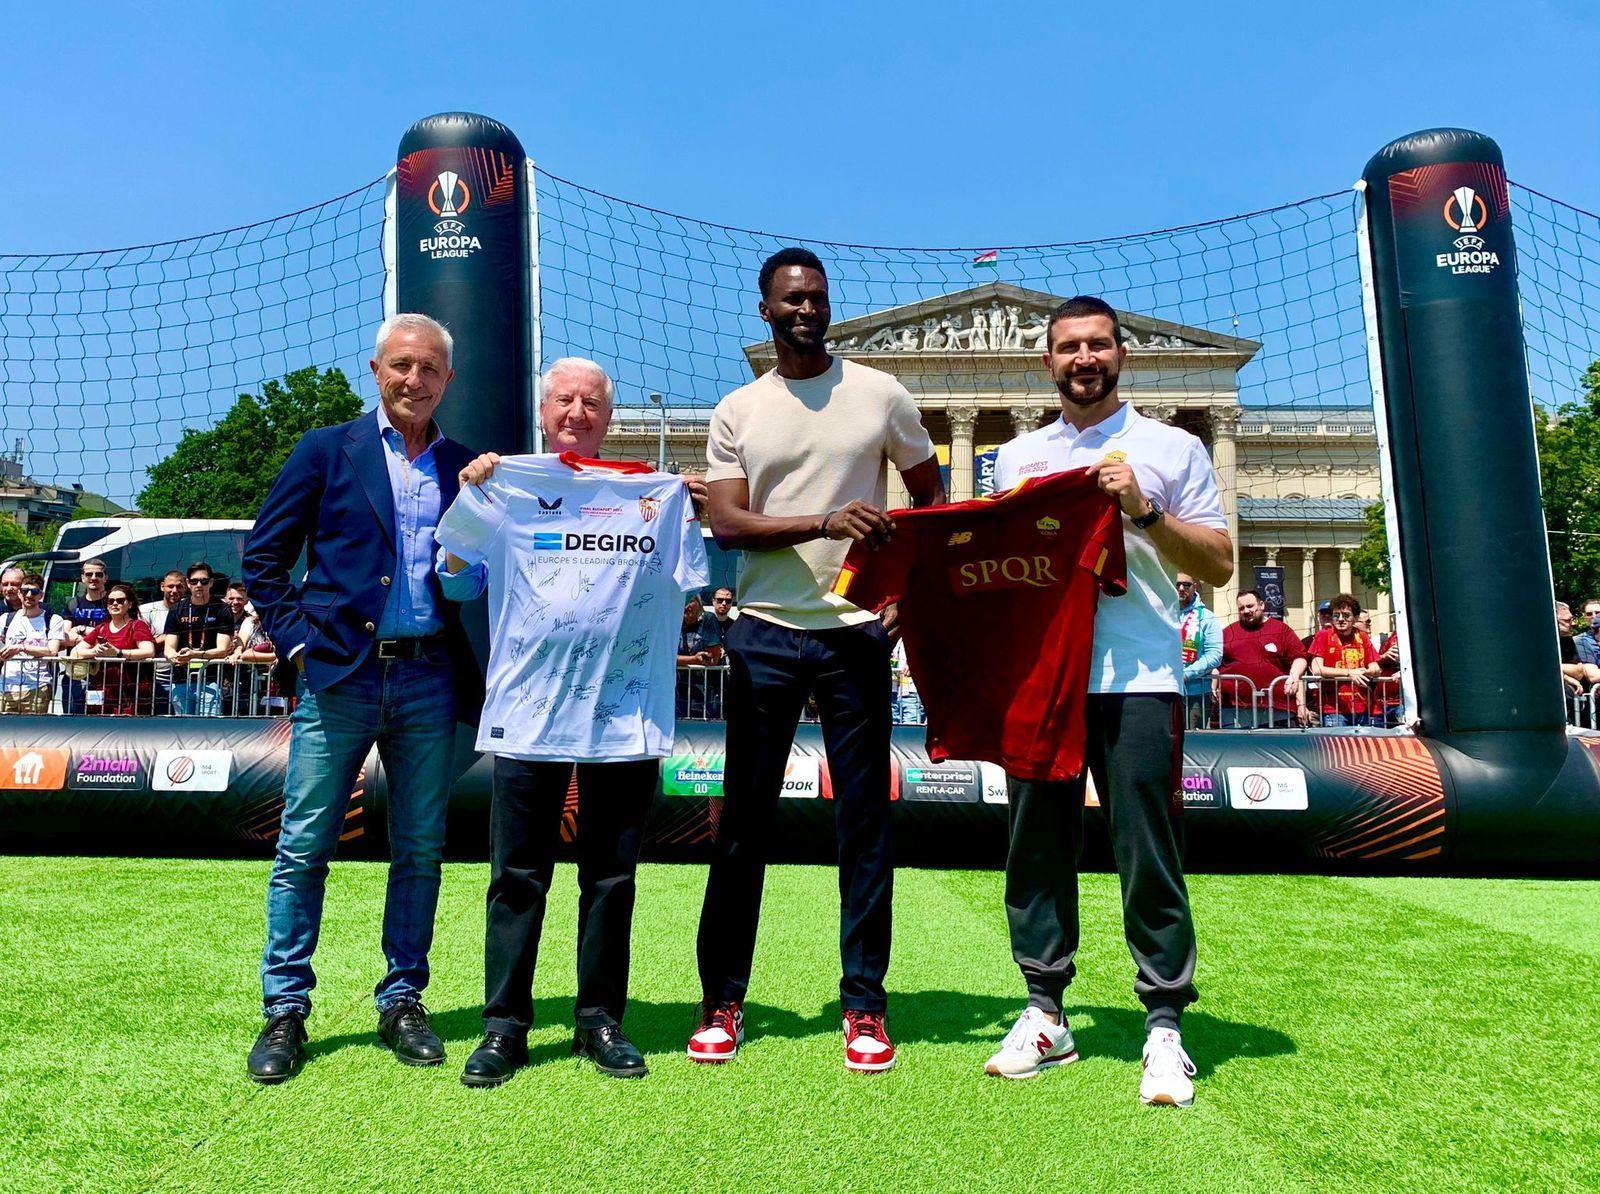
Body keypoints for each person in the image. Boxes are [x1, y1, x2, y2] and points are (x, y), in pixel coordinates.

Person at [690, 247, 944, 1073]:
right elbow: (728, 524)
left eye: (817, 298)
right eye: (792, 299)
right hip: (763, 632)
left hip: (854, 637)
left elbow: (930, 491)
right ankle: (722, 1001)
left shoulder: (880, 394)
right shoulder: (739, 410)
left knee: (864, 825)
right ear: (765, 310)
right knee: (743, 825)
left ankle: (865, 1005)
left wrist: (906, 587)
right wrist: (825, 521)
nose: (806, 309)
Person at [981, 296, 1231, 1108]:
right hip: (1043, 680)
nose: (1083, 358)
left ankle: (1164, 1022)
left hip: (1139, 675)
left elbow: (1220, 565)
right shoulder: (1015, 458)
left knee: (1147, 849)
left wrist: (1143, 510)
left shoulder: (1172, 447)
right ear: (1047, 362)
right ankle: (1045, 1011)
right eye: (1068, 347)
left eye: (1097, 345)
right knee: (1035, 848)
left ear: (1121, 354)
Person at [438, 356, 708, 1087]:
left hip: (623, 718)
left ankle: (599, 1020)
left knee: (612, 878)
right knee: (516, 877)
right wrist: (474, 497)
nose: (577, 412)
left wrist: (690, 503)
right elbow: (453, 578)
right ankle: (504, 1027)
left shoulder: (656, 494)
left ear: (608, 417)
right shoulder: (507, 484)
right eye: (564, 399)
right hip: (529, 715)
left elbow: (692, 586)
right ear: (543, 411)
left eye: (591, 402)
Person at [239, 312, 480, 1084]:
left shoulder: (465, 467)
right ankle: (285, 1008)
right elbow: (263, 556)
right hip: (338, 677)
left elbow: (477, 573)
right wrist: (298, 645)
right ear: (376, 370)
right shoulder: (325, 449)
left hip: (429, 676)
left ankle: (402, 998)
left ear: (448, 379)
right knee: (304, 846)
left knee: (420, 849)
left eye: (431, 368)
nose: (415, 379)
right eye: (402, 365)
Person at [1214, 588, 1310, 727]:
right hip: (1235, 710)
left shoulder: (1281, 630)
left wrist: (1294, 676)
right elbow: (1216, 662)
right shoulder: (1229, 633)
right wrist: (1214, 682)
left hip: (1278, 709)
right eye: (1241, 608)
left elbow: (1300, 657)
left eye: (1250, 606)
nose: (1246, 611)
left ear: (1262, 605)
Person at [70, 582, 156, 715]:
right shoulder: (101, 628)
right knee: (96, 724)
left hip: (131, 693)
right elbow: (75, 652)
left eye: (120, 601)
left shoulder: (137, 625)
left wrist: (118, 653)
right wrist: (94, 651)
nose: (115, 604)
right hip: (101, 691)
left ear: (130, 604)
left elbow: (149, 651)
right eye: (111, 601)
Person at [162, 563, 234, 716]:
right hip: (181, 679)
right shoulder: (177, 609)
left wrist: (195, 655)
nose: (199, 585)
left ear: (211, 582)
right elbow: (168, 647)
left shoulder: (222, 609)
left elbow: (223, 650)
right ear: (188, 583)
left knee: (208, 728)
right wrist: (173, 656)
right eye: (194, 581)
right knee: (182, 728)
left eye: (204, 581)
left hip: (211, 680)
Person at [1308, 593, 1380, 726]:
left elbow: (1376, 667)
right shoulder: (1323, 635)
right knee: (1336, 740)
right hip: (1333, 709)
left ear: (1355, 618)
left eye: (1346, 615)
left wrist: (1365, 671)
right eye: (1336, 615)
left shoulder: (1362, 637)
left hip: (1362, 706)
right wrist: (1349, 673)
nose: (1340, 619)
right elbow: (1317, 669)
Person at [0, 573, 67, 713]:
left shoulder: (53, 619)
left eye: (34, 592)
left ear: (41, 595)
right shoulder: (5, 619)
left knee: (33, 727)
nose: (29, 595)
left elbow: (52, 651)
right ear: (19, 593)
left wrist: (21, 647)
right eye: (25, 591)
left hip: (37, 687)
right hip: (6, 687)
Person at [61, 558, 111, 713]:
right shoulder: (73, 604)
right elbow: (65, 637)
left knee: (99, 718)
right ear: (82, 578)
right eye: (89, 574)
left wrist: (81, 630)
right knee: (71, 717)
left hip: (105, 673)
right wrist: (94, 638)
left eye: (98, 574)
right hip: (75, 672)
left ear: (105, 577)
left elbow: (116, 635)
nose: (93, 578)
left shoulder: (114, 602)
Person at [1176, 573, 1220, 729]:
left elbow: (1215, 655)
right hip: (1164, 689)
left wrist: (1187, 674)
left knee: (1191, 739)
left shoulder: (1208, 617)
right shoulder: (1162, 614)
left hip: (1195, 693)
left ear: (1195, 587)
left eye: (1186, 585)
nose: (1181, 588)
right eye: (1177, 585)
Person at [141, 570, 187, 715]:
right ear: (162, 586)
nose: (175, 590)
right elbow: (143, 644)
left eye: (179, 586)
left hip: (185, 678)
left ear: (186, 587)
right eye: (170, 586)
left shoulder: (192, 609)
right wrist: (170, 635)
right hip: (155, 678)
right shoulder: (146, 610)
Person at [676, 593, 724, 719]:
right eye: (682, 601)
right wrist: (693, 659)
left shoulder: (708, 619)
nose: (686, 606)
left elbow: (712, 659)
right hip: (678, 688)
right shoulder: (673, 622)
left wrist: (678, 660)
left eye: (690, 601)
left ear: (699, 603)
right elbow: (665, 658)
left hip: (705, 688)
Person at [890, 637, 923, 726]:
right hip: (893, 692)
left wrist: (912, 663)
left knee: (910, 728)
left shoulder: (916, 638)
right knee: (892, 729)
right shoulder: (895, 639)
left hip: (910, 693)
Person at [1575, 599, 1600, 669]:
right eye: (1589, 614)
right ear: (1585, 617)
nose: (1594, 616)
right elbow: (1592, 673)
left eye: (1597, 613)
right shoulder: (1580, 641)